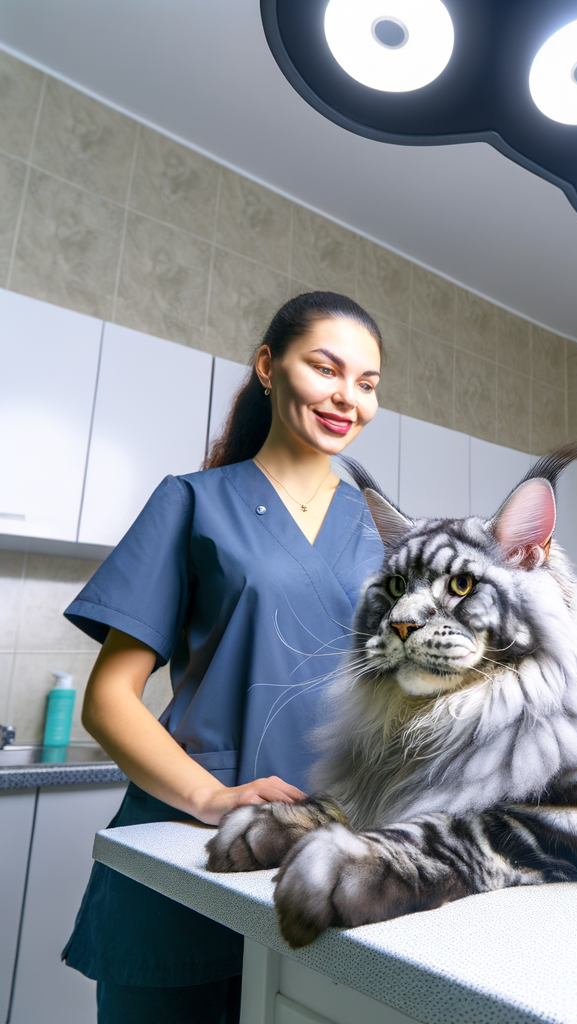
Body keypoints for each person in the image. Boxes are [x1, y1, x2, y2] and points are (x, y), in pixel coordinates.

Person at [61, 292, 386, 1024]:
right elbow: (110, 698)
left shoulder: (380, 530)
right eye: (326, 368)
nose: (349, 398)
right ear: (268, 368)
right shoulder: (192, 501)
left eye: (367, 383)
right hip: (191, 837)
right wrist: (212, 798)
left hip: (333, 853)